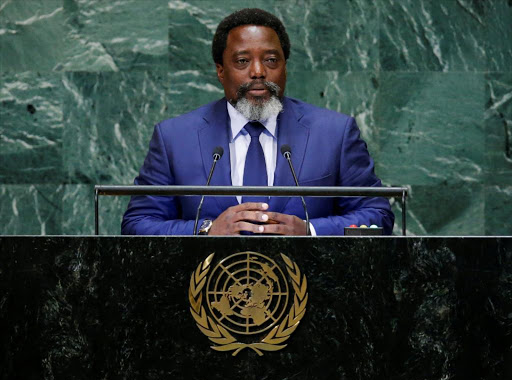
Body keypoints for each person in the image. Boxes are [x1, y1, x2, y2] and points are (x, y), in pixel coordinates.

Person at [121, 8, 394, 236]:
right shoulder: (175, 138)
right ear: (220, 70)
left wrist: (310, 230)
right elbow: (137, 226)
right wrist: (205, 229)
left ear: (285, 66)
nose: (258, 72)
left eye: (271, 60)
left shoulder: (334, 133)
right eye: (242, 61)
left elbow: (378, 217)